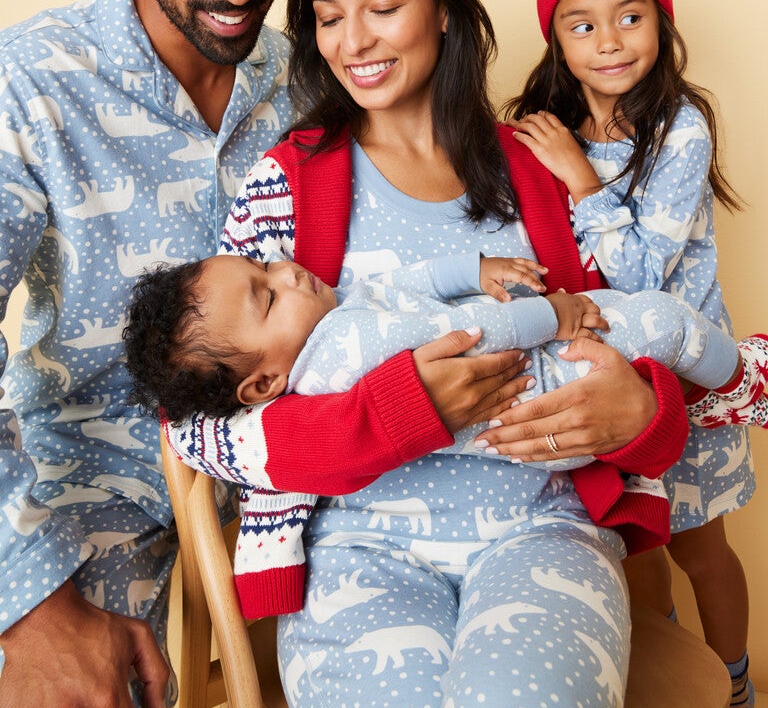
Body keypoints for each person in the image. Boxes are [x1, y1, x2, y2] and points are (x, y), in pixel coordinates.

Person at [0, 0, 541, 708]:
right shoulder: (33, 85)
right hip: (94, 485)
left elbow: (442, 216)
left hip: (317, 478)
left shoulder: (316, 72)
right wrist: (29, 604)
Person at [166, 0, 694, 708]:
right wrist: (391, 415)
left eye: (382, 7)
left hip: (544, 530)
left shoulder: (545, 164)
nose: (354, 41)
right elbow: (197, 417)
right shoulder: (287, 186)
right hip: (357, 549)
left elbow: (654, 329)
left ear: (444, 10)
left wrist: (644, 413)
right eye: (329, 17)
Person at [128, 249, 767, 620]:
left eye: (267, 265)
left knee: (660, 359)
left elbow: (395, 287)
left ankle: (716, 392)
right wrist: (553, 311)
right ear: (262, 385)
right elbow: (479, 336)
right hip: (543, 373)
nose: (290, 272)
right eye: (268, 297)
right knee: (666, 321)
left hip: (546, 434)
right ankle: (744, 382)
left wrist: (471, 267)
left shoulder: (333, 322)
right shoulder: (343, 347)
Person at [502, 0, 758, 708]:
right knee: (636, 543)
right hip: (611, 378)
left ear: (661, 22)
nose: (609, 41)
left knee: (702, 546)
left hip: (690, 377)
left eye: (631, 17)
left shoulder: (679, 128)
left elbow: (642, 269)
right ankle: (670, 680)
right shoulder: (546, 128)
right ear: (558, 41)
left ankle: (735, 682)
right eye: (583, 25)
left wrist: (580, 178)